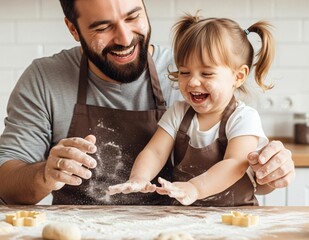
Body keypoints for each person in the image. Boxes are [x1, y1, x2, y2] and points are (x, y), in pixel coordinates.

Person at [0, 0, 295, 205]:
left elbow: (243, 168)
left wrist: (269, 173)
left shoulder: (190, 66)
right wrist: (44, 174)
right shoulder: (45, 79)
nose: (124, 38)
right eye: (103, 27)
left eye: (133, 16)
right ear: (72, 28)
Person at [108, 14, 280, 206]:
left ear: (238, 76)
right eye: (185, 72)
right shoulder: (178, 112)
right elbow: (155, 152)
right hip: (186, 216)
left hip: (235, 217)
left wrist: (195, 188)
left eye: (206, 73)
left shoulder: (244, 118)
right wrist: (139, 178)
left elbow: (235, 164)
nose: (193, 81)